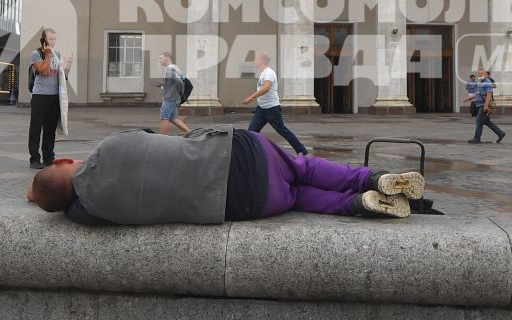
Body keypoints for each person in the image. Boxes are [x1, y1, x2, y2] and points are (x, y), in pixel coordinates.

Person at [28, 126, 426, 223]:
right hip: (239, 153)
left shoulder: (95, 211)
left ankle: (359, 204)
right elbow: (149, 139)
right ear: (64, 163)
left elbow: (74, 211)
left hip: (243, 203)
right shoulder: (111, 147)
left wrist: (44, 197)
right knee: (302, 167)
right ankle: (369, 179)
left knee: (297, 198)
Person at [244, 50, 308, 153]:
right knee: (251, 132)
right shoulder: (263, 73)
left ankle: (301, 150)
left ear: (262, 60)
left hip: (271, 109)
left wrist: (251, 97)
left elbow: (266, 88)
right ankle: (250, 153)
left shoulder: (269, 72)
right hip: (261, 109)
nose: (254, 60)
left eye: (256, 58)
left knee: (282, 130)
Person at [27, 27, 66, 168]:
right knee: (36, 128)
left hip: (54, 97)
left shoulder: (58, 54)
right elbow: (43, 71)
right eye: (50, 39)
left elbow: (61, 76)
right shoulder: (36, 54)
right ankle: (34, 159)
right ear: (44, 39)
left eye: (55, 39)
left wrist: (67, 67)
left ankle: (49, 157)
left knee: (50, 129)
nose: (53, 41)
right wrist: (48, 54)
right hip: (40, 96)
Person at [157, 50, 191, 136]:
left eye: (161, 58)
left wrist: (181, 92)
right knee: (173, 118)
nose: (160, 60)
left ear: (167, 58)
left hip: (169, 98)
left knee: (164, 117)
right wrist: (163, 86)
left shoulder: (169, 69)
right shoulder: (176, 68)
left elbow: (179, 81)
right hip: (174, 98)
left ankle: (162, 139)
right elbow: (173, 84)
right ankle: (190, 133)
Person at [470, 69, 507, 143]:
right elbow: (479, 93)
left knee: (479, 121)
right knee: (486, 121)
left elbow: (489, 95)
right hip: (480, 104)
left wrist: (486, 106)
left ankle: (477, 138)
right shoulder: (481, 82)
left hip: (484, 105)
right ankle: (500, 133)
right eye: (479, 73)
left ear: (486, 74)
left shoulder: (487, 82)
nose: (480, 74)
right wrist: (469, 98)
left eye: (482, 73)